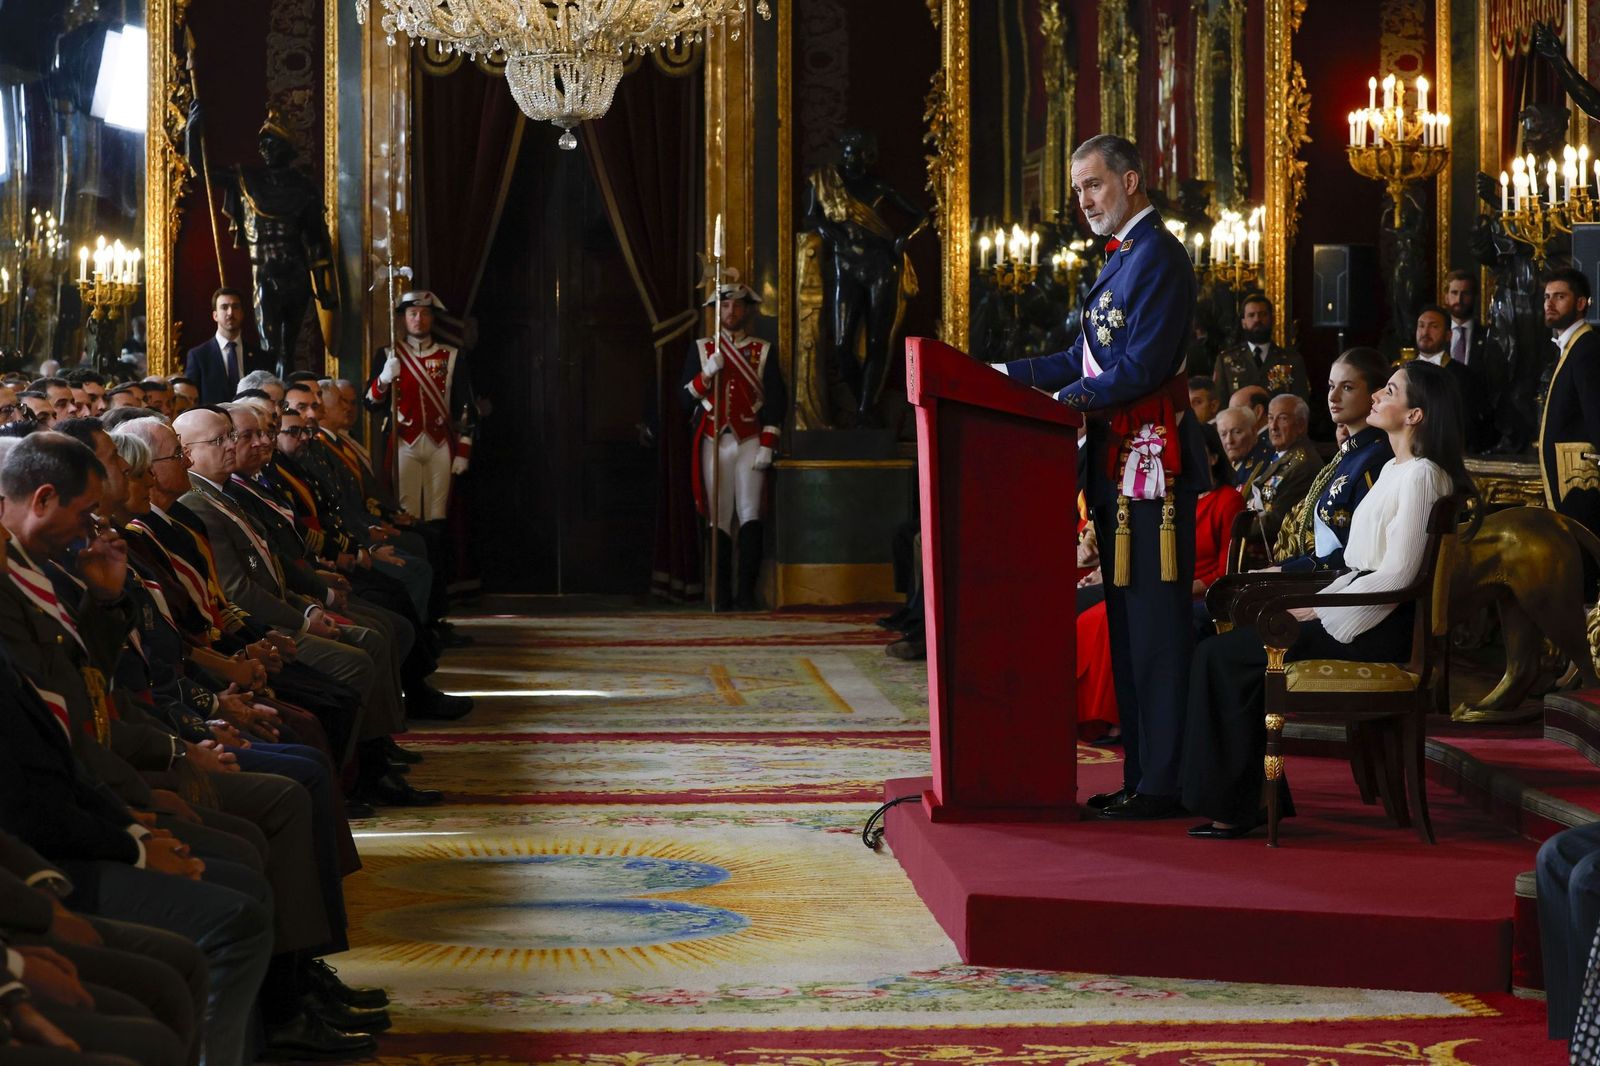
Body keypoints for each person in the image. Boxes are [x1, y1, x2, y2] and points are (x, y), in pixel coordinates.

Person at [997, 134, 1208, 821]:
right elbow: (1079, 357)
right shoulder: (1121, 261)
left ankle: (1165, 782)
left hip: (1154, 473)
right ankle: (1144, 776)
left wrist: (1061, 405)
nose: (1083, 200)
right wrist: (998, 379)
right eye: (1078, 190)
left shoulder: (1158, 258)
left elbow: (1141, 368)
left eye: (1093, 185)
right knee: (1127, 630)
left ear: (1133, 180)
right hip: (1119, 470)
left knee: (1154, 632)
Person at [1180, 360, 1473, 838]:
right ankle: (1243, 796)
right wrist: (1317, 603)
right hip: (1361, 613)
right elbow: (1361, 567)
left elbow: (1398, 576)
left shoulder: (1422, 476)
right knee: (1220, 652)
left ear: (1415, 414)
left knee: (1221, 658)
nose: (1378, 396)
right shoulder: (1400, 470)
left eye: (1390, 390)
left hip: (1378, 629)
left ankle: (1239, 804)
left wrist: (1320, 611)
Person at [1076, 428, 1244, 737]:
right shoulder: (1169, 498)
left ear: (1213, 457)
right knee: (1092, 613)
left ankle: (1111, 718)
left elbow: (1224, 574)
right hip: (1155, 585)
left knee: (1103, 619)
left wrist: (1178, 587)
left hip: (1194, 594)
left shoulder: (1227, 500)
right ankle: (1084, 713)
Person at [679, 282, 786, 611]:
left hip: (751, 441)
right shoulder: (701, 349)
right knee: (718, 517)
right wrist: (707, 374)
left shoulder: (762, 350)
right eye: (725, 306)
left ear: (747, 310)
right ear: (716, 311)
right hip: (714, 441)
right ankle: (721, 595)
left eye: (737, 306)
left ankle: (746, 595)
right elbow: (684, 401)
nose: (731, 312)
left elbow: (776, 401)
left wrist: (768, 442)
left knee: (751, 514)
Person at [1273, 347, 1395, 571]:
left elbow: (1360, 554)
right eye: (1331, 386)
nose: (1333, 396)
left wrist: (1284, 571)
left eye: (1347, 387)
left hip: (1338, 588)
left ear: (1376, 394)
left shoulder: (1376, 459)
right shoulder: (1350, 454)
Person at [363, 291, 475, 525]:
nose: (418, 319)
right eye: (412, 313)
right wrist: (383, 379)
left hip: (440, 442)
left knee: (439, 513)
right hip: (404, 441)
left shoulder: (452, 356)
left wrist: (464, 450)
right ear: (403, 318)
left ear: (432, 318)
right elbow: (370, 403)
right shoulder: (387, 355)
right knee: (407, 512)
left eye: (424, 313)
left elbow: (465, 407)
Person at [1538, 268, 1600, 563]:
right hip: (1570, 474)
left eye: (1559, 297)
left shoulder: (1587, 348)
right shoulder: (1571, 348)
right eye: (1547, 297)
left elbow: (1596, 413)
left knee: (1582, 556)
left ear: (1581, 303)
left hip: (1581, 477)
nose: (1550, 303)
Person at [1413, 304, 1493, 450]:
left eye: (1433, 326)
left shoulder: (1463, 376)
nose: (1425, 331)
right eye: (1421, 326)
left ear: (1448, 335)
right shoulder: (1403, 372)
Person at [1244, 394, 1318, 546]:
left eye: (1282, 418)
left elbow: (1278, 521)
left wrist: (1235, 528)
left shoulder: (1303, 464)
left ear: (1301, 425)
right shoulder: (1275, 457)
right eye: (1271, 418)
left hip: (1270, 550)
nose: (1273, 426)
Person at [1212, 293, 1311, 403]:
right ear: (1243, 323)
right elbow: (1220, 403)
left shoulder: (1292, 359)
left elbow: (1300, 403)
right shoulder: (1225, 360)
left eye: (1263, 314)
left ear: (1272, 319)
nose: (1257, 319)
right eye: (1251, 315)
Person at [183, 289, 266, 406]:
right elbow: (191, 399)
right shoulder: (198, 356)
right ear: (215, 315)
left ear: (242, 313)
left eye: (235, 307)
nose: (230, 312)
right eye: (224, 307)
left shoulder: (260, 356)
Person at [1216, 406, 1268, 490]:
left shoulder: (1265, 462)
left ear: (1254, 431)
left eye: (1237, 432)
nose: (1229, 441)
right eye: (1223, 434)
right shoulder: (1222, 468)